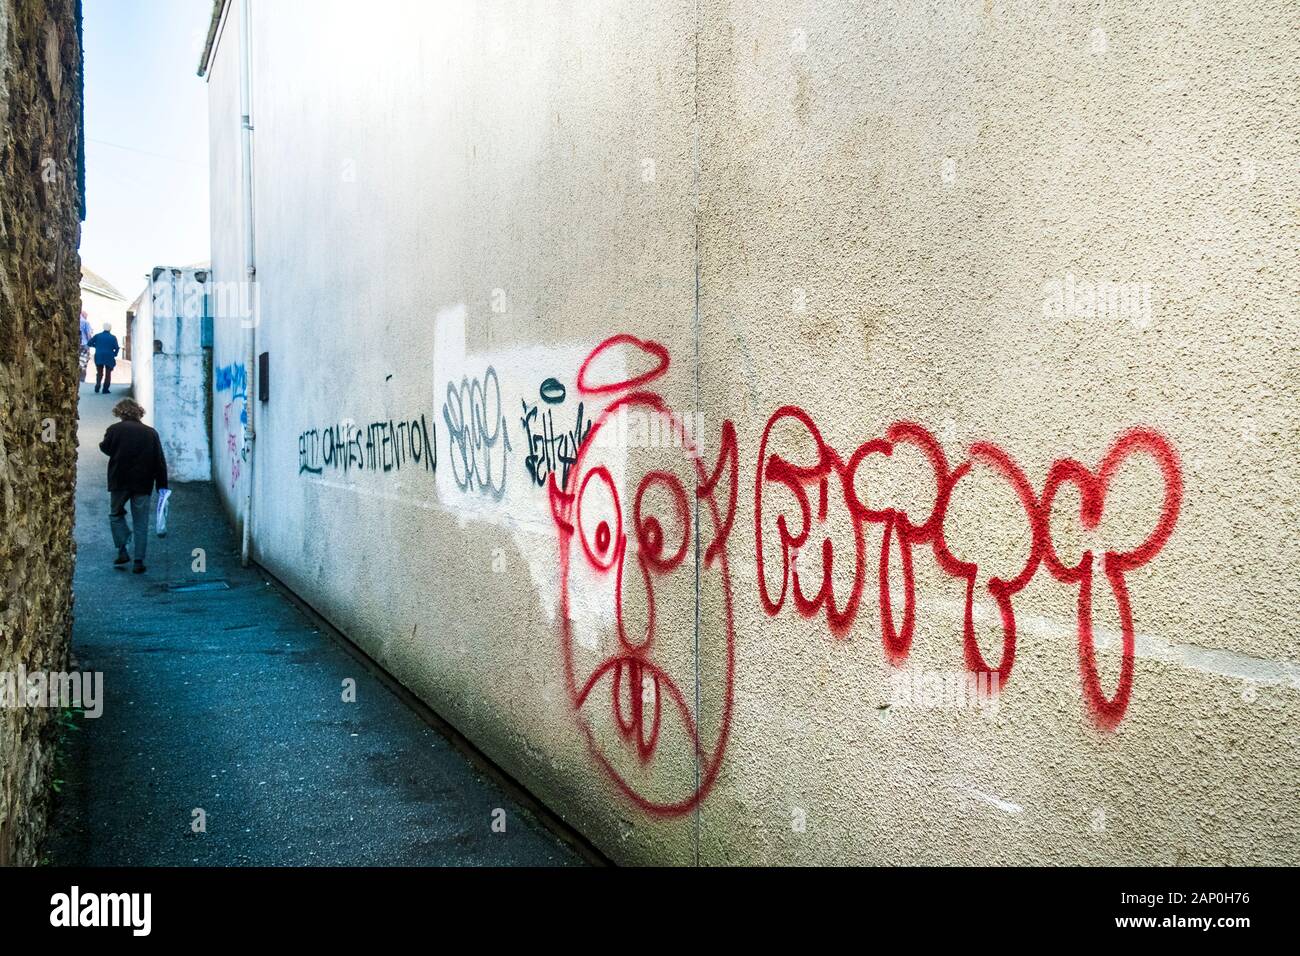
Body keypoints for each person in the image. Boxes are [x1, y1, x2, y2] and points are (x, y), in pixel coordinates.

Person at [100, 399, 168, 574]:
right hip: (143, 482)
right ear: (139, 413)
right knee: (141, 521)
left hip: (119, 481)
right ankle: (139, 561)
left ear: (120, 413)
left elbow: (105, 448)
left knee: (115, 514)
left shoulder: (114, 430)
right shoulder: (151, 433)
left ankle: (122, 549)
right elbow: (159, 461)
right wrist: (162, 486)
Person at [87, 322, 120, 394]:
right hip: (109, 356)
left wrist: (96, 346)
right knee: (108, 373)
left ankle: (98, 385)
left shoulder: (97, 336)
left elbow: (89, 343)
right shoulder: (113, 337)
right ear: (110, 328)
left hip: (99, 355)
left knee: (99, 372)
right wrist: (114, 354)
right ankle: (105, 389)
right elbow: (117, 348)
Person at [78, 311, 93, 383]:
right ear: (83, 315)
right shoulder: (86, 322)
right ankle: (81, 379)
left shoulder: (77, 321)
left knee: (77, 362)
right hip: (84, 345)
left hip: (78, 344)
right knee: (83, 363)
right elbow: (88, 335)